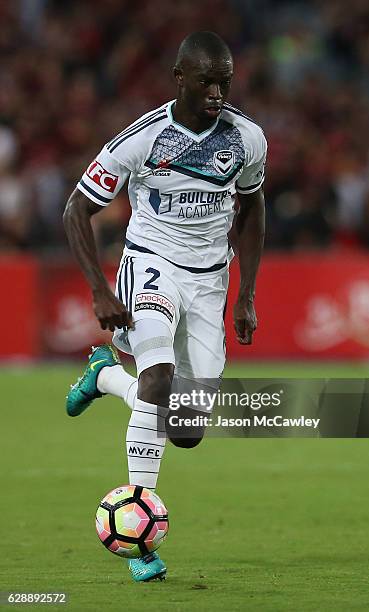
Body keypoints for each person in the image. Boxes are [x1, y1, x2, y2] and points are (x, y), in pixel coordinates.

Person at [63, 31, 266, 582]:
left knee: (188, 428)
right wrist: (100, 290)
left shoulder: (246, 139)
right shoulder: (142, 139)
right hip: (151, 263)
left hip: (209, 282)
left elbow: (252, 207)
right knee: (156, 380)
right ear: (181, 77)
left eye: (226, 80)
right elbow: (76, 210)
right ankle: (141, 535)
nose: (219, 91)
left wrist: (245, 294)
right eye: (208, 80)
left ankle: (105, 377)